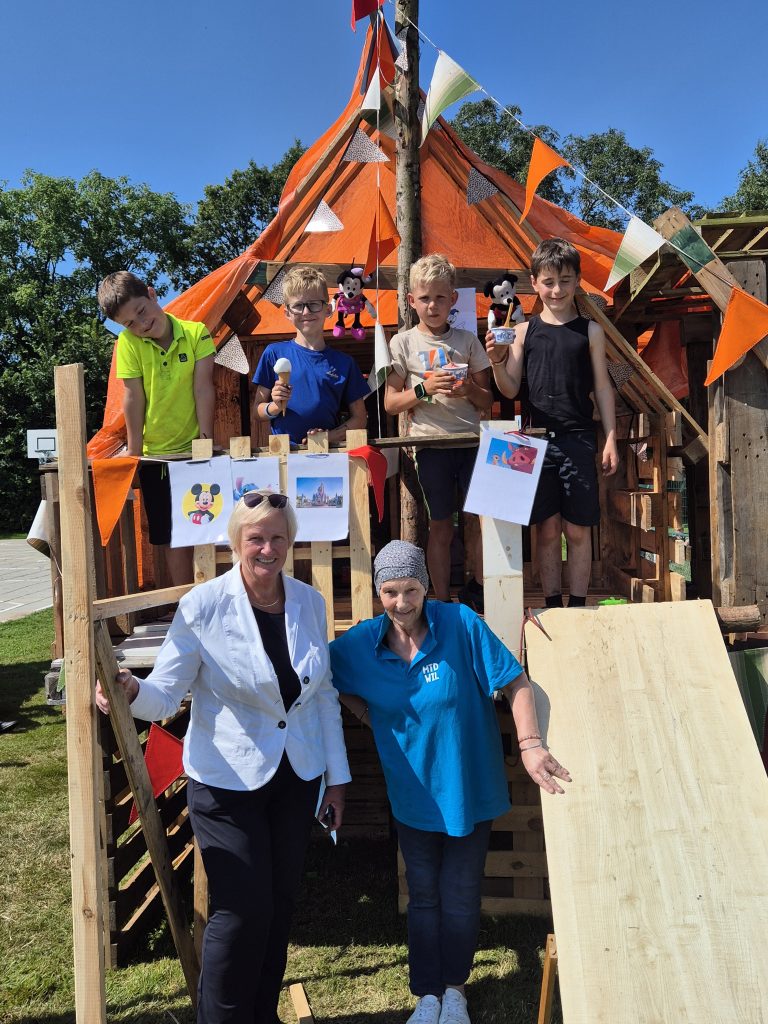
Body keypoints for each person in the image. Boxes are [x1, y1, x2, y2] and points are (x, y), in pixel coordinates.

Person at [96, 491, 350, 1024]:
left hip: (297, 775)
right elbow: (167, 694)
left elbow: (321, 694)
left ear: (291, 541)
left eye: (278, 536)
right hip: (226, 782)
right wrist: (129, 689)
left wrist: (337, 780)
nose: (267, 548)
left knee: (278, 910)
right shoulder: (204, 605)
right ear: (237, 542)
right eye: (256, 537)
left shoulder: (309, 600)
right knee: (241, 910)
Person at [330, 541, 570, 1024]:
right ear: (379, 592)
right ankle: (426, 994)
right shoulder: (361, 645)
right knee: (423, 896)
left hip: (468, 789)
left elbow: (516, 682)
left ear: (427, 586)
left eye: (412, 590)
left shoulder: (460, 624)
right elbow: (321, 679)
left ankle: (455, 989)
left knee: (460, 895)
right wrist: (368, 715)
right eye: (391, 592)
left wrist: (530, 746)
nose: (402, 602)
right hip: (412, 794)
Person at [485, 238, 619, 607]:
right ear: (534, 283)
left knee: (578, 530)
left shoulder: (591, 331)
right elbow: (510, 388)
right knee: (546, 530)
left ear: (577, 281)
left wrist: (610, 438)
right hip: (533, 442)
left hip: (578, 439)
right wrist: (496, 360)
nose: (557, 289)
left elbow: (603, 388)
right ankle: (550, 604)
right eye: (549, 281)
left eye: (565, 280)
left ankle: (577, 606)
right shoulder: (523, 332)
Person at [384, 255, 492, 610]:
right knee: (441, 525)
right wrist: (423, 388)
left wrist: (467, 391)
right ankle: (442, 602)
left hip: (471, 442)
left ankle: (477, 588)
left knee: (478, 521)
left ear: (453, 300)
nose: (432, 306)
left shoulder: (467, 340)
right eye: (425, 298)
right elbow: (390, 404)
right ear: (411, 300)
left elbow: (487, 399)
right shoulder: (401, 343)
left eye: (440, 298)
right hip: (430, 445)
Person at [98, 271, 216, 587]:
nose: (141, 325)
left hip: (194, 452)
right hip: (156, 457)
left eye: (141, 312)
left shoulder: (196, 333)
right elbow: (133, 397)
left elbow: (203, 388)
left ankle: (211, 601)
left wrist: (205, 441)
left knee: (205, 526)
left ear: (152, 294)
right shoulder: (128, 343)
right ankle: (185, 607)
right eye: (129, 324)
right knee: (171, 535)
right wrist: (135, 452)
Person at [253, 266, 369, 447]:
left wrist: (330, 436)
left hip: (329, 454)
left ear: (328, 309)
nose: (306, 312)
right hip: (283, 455)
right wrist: (275, 406)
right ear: (287, 313)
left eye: (314, 304)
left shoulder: (345, 363)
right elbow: (257, 412)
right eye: (298, 306)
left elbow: (360, 418)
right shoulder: (273, 353)